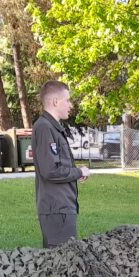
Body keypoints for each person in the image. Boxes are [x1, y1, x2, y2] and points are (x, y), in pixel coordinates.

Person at [33, 80, 89, 247]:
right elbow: (50, 171)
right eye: (68, 100)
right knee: (62, 259)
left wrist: (76, 172)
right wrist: (79, 172)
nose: (71, 105)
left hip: (62, 207)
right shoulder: (45, 127)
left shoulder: (52, 127)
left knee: (63, 258)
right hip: (57, 209)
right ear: (55, 101)